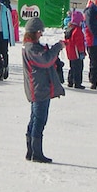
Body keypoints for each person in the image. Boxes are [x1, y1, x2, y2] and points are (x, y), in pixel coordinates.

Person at [22, 16, 65, 163]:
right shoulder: (32, 48)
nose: (41, 34)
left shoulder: (32, 47)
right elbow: (46, 60)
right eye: (40, 31)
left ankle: (31, 151)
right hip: (39, 88)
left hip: (38, 87)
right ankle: (36, 152)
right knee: (39, 120)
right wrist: (57, 47)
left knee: (35, 119)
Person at [64, 10, 86, 88]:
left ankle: (70, 81)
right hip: (77, 53)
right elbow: (79, 43)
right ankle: (77, 83)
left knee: (72, 67)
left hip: (70, 53)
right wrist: (82, 52)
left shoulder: (69, 29)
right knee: (78, 68)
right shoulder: (77, 31)